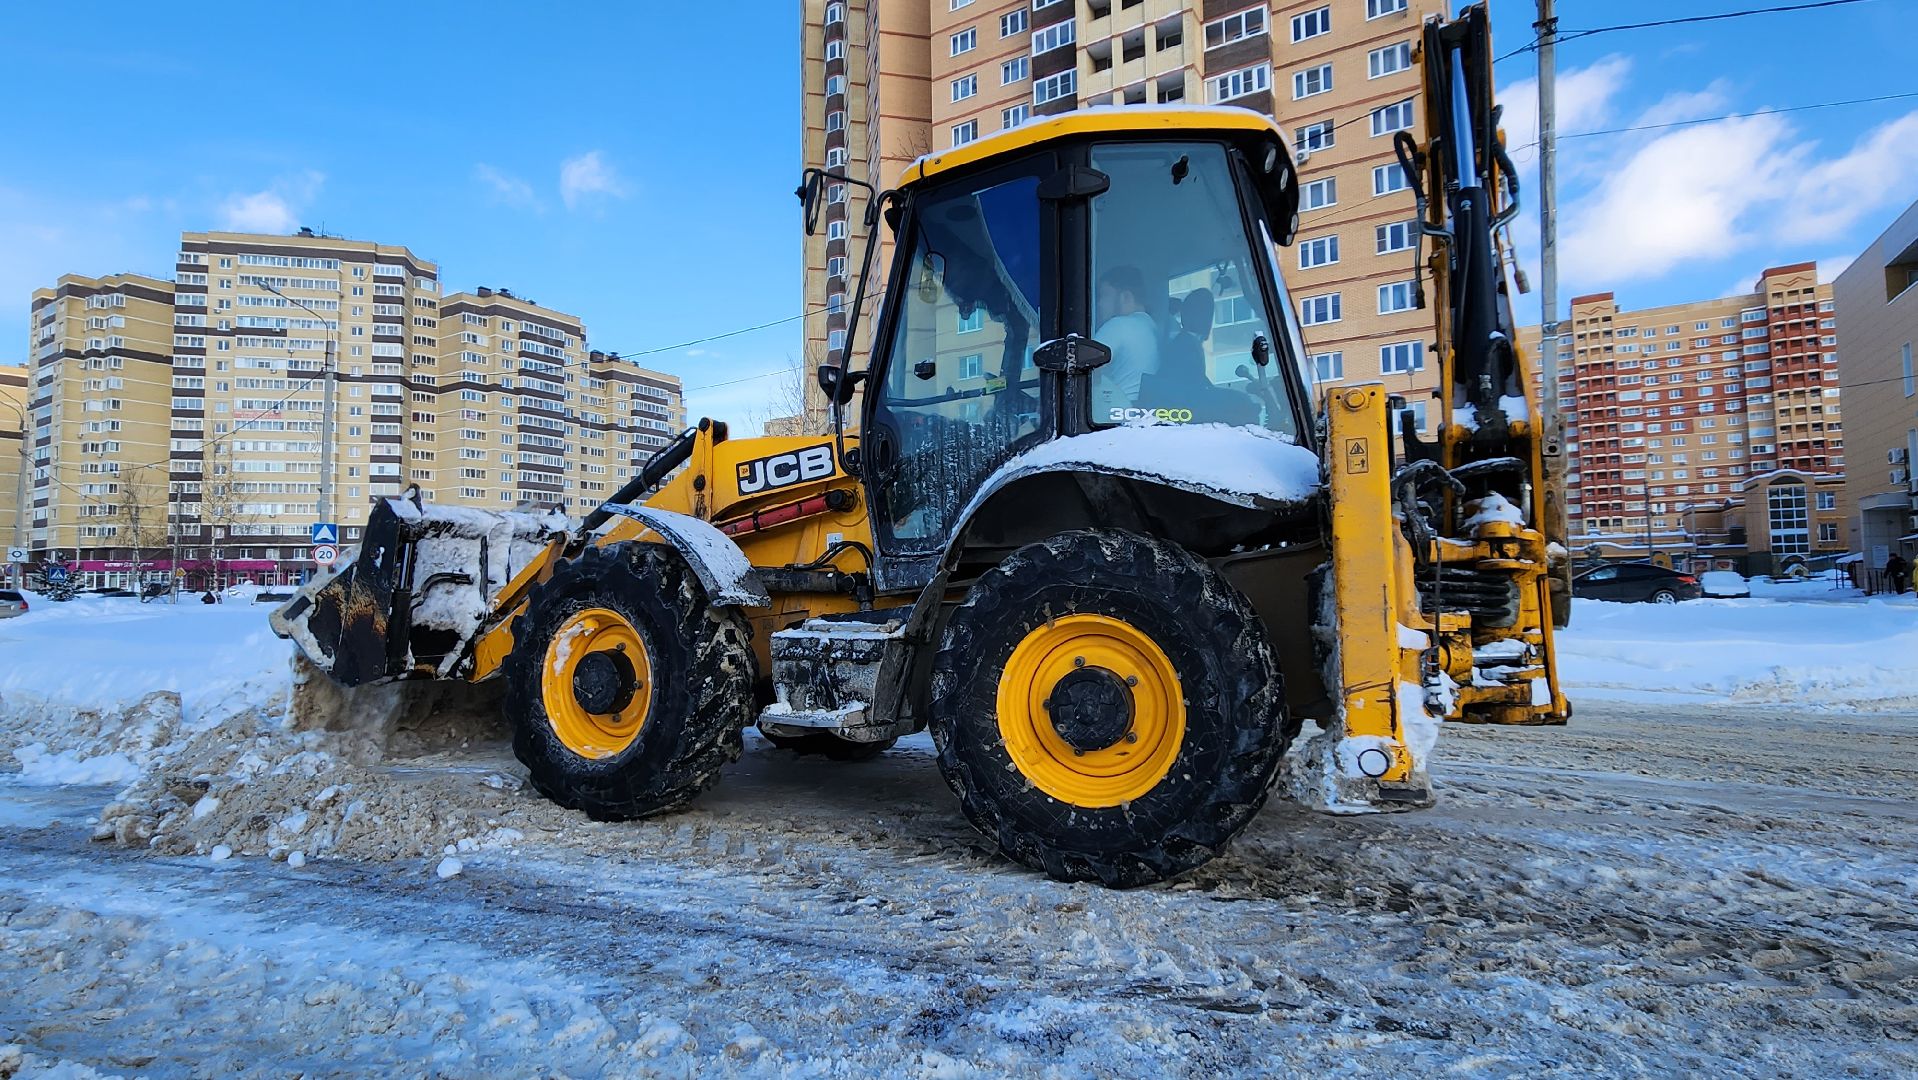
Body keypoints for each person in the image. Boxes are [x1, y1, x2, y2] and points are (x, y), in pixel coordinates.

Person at [1136, 289, 1259, 426]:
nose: (1208, 321)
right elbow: (1191, 389)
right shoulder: (1184, 346)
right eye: (1205, 314)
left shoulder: (1188, 342)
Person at [1092, 265, 1160, 420]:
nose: (1100, 303)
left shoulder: (1118, 325)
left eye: (1104, 295)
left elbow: (1085, 372)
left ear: (1126, 297)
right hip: (1141, 416)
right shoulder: (1152, 327)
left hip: (1113, 418)